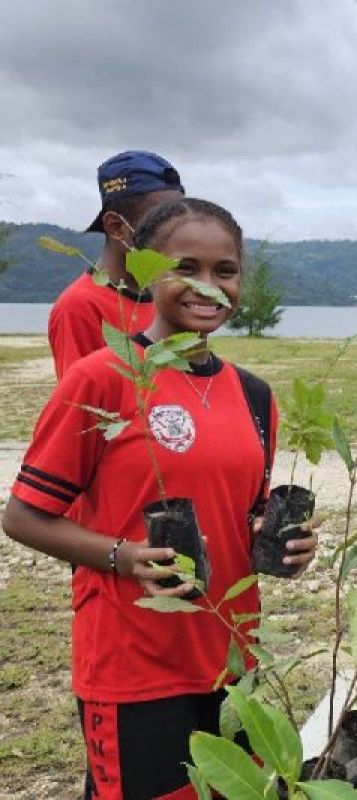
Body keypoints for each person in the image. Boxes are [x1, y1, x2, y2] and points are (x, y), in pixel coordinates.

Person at [3, 198, 318, 799]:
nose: (209, 286)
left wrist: (284, 543)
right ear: (147, 272)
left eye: (225, 270)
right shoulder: (103, 376)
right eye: (186, 268)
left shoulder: (254, 394)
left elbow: (244, 513)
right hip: (133, 662)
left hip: (231, 660)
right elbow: (22, 516)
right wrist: (123, 556)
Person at [48, 150, 185, 379]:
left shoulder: (166, 291)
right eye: (160, 223)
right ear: (116, 227)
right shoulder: (79, 306)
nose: (175, 235)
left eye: (179, 222)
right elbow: (82, 394)